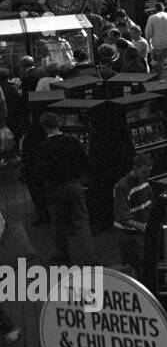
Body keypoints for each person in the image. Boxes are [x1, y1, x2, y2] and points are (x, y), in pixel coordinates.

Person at [32, 112, 94, 265]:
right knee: (81, 222)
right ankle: (90, 258)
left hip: (54, 189)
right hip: (74, 185)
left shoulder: (42, 148)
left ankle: (63, 254)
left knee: (58, 223)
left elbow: (39, 173)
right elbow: (85, 162)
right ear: (58, 123)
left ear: (45, 127)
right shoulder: (72, 141)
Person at [111, 152, 153, 276]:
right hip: (128, 236)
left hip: (141, 233)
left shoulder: (143, 179)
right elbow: (122, 217)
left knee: (143, 265)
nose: (147, 175)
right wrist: (144, 227)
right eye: (145, 172)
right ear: (135, 168)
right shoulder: (122, 187)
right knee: (132, 268)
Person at [144, 1, 167, 78]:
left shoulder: (152, 18)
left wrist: (148, 41)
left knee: (159, 60)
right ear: (163, 8)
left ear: (155, 9)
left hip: (158, 43)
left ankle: (160, 76)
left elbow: (148, 31)